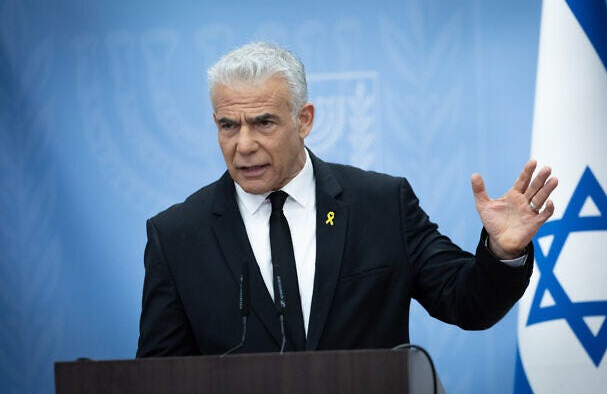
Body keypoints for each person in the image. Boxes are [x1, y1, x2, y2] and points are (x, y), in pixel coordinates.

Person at [136, 42, 558, 357]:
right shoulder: (176, 236)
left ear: (304, 120)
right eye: (229, 126)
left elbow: (467, 304)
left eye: (263, 123)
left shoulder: (381, 204)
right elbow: (159, 373)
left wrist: (502, 253)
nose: (243, 145)